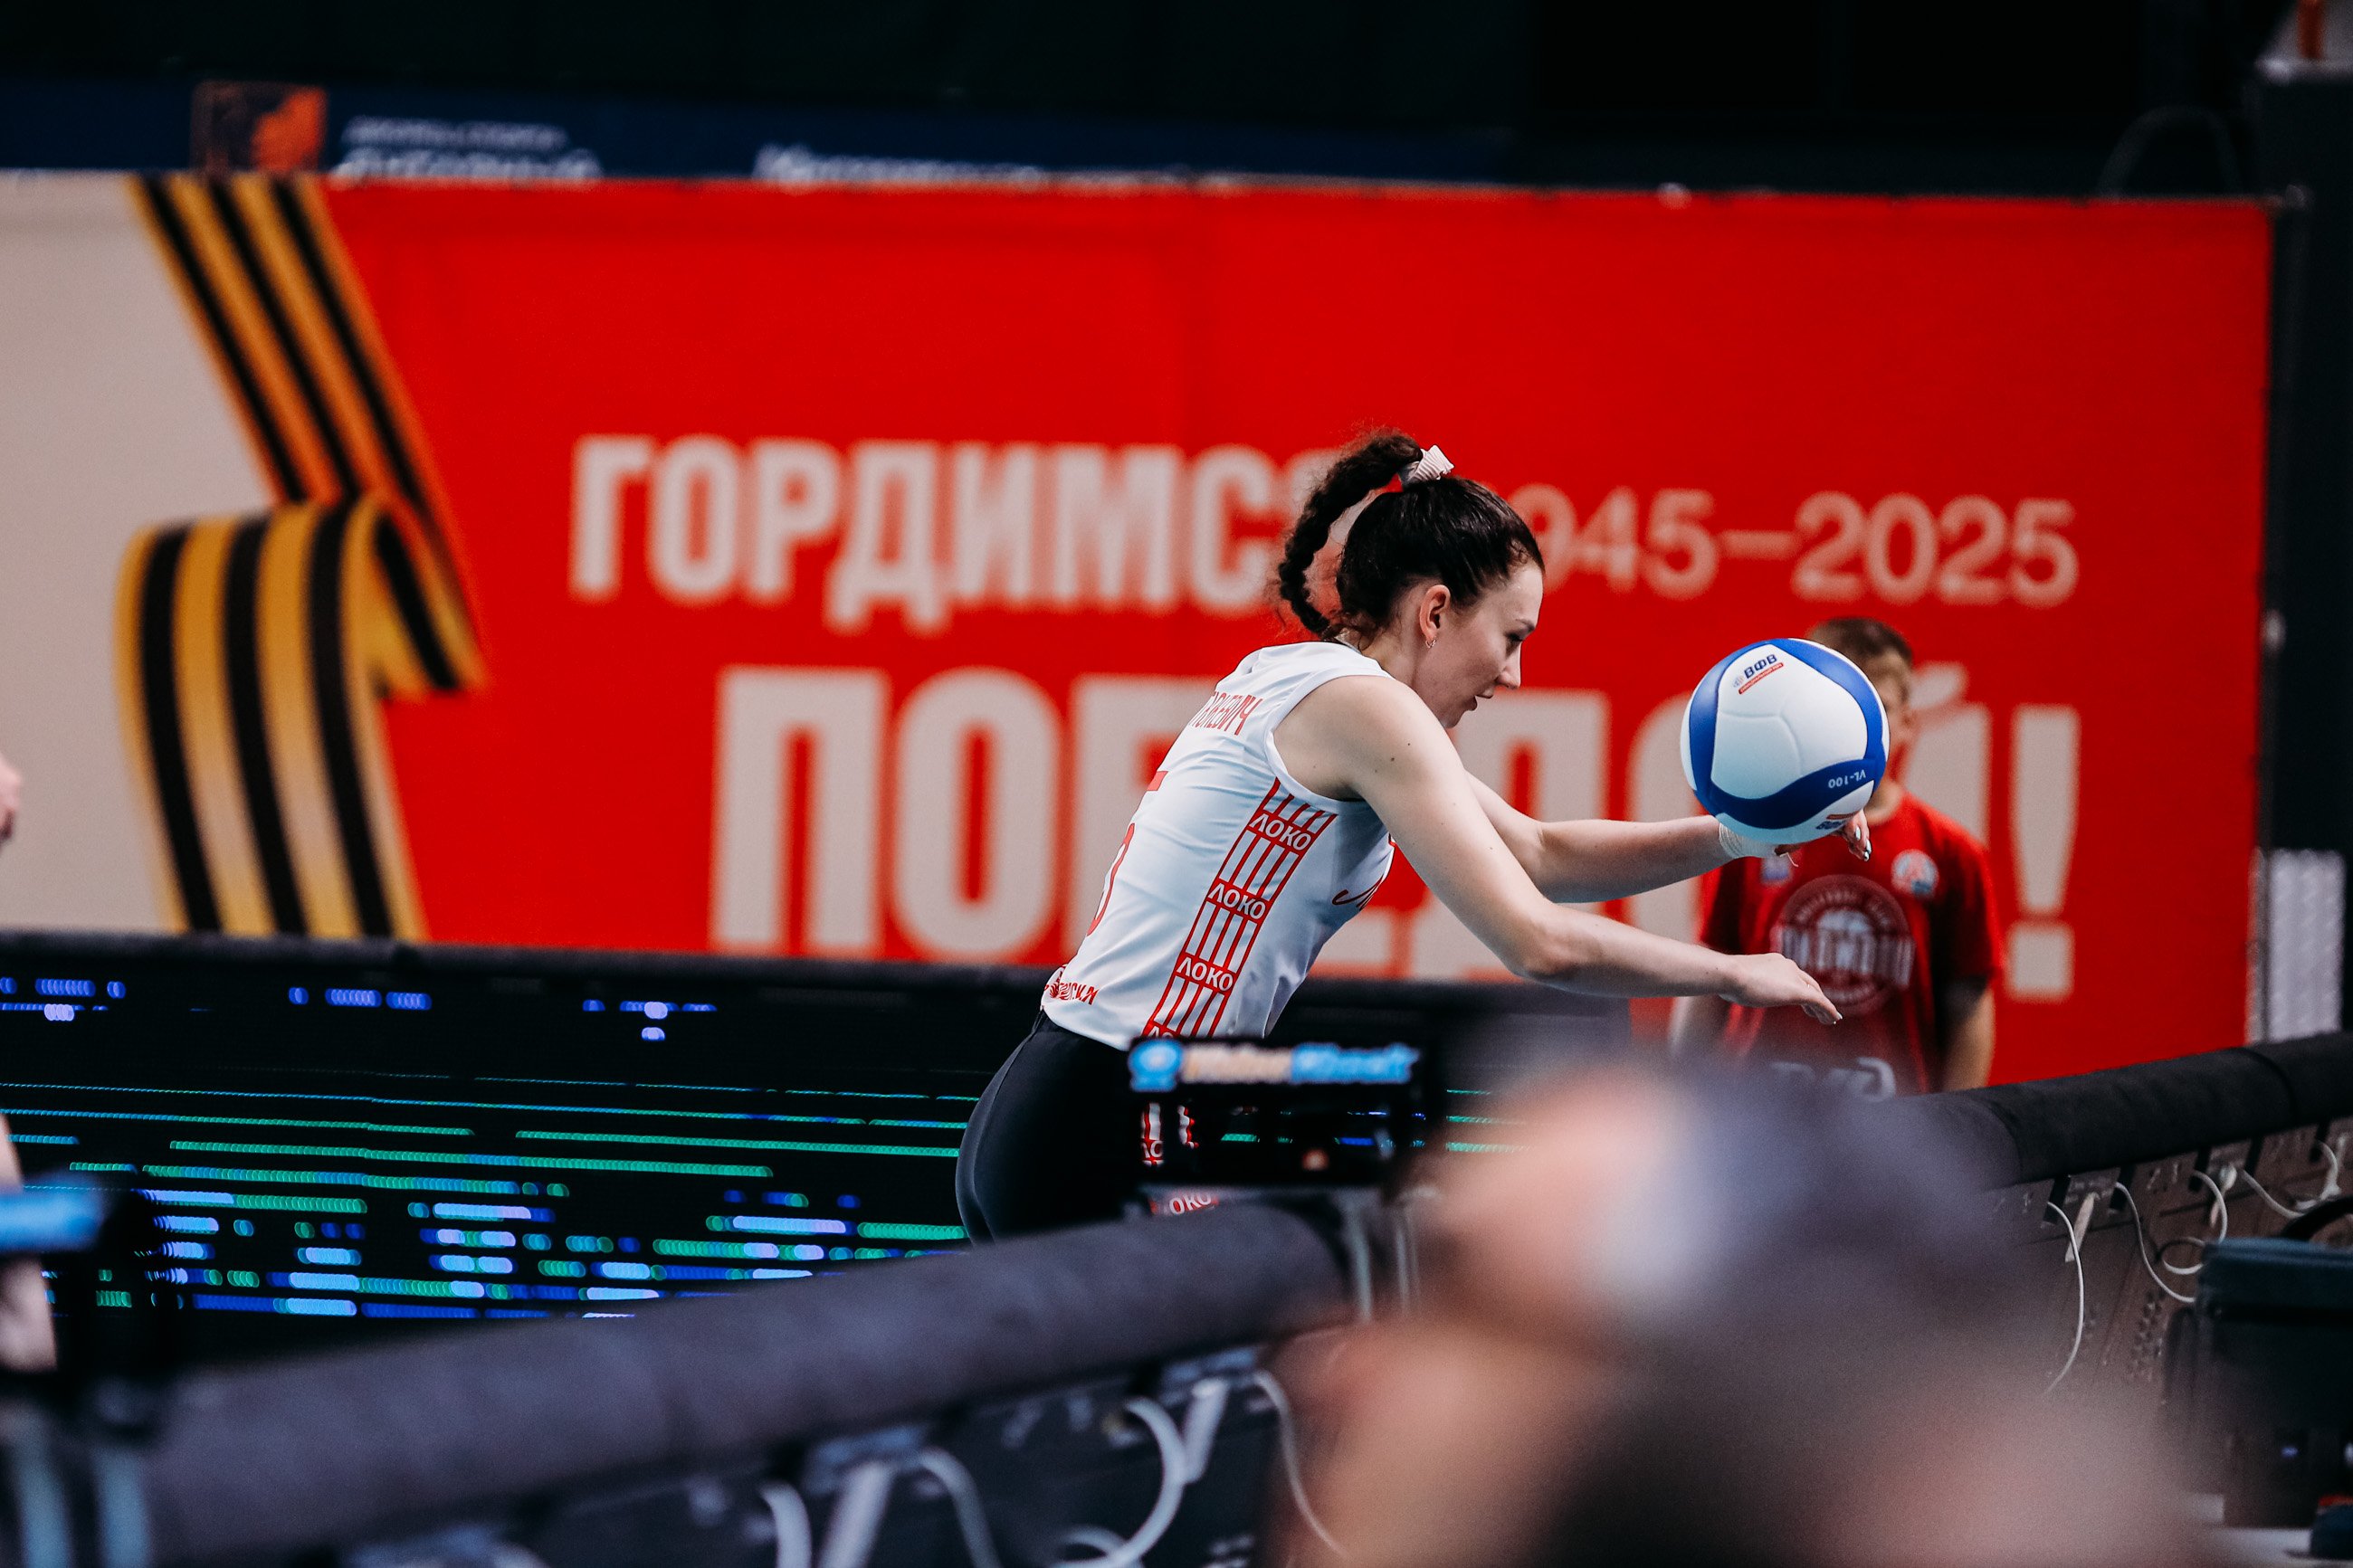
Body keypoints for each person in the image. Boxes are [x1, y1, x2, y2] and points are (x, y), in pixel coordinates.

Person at [954, 432, 1864, 1240]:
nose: (1513, 674)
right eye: (1510, 636)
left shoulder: (1303, 678)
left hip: (1053, 1095)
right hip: (1109, 1118)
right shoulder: (1369, 712)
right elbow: (1538, 941)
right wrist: (1733, 971)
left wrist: (1746, 832)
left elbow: (1540, 855)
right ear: (1434, 611)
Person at [1670, 618, 2001, 1096]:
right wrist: (1678, 1100)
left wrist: (1957, 1125)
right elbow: (1712, 964)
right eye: (1833, 705)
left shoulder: (1952, 851)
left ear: (1908, 724)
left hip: (1896, 1122)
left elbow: (1968, 1003)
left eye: (1876, 708)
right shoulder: (1749, 835)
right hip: (1755, 1115)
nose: (1854, 725)